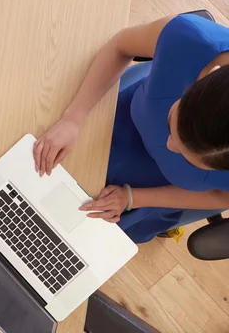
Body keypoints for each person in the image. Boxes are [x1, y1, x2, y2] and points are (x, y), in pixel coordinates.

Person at [32, 14, 229, 243]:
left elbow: (222, 197)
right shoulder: (189, 37)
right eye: (171, 121)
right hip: (117, 124)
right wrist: (73, 118)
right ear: (209, 75)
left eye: (189, 159)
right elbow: (121, 45)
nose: (168, 144)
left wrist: (133, 198)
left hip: (158, 189)